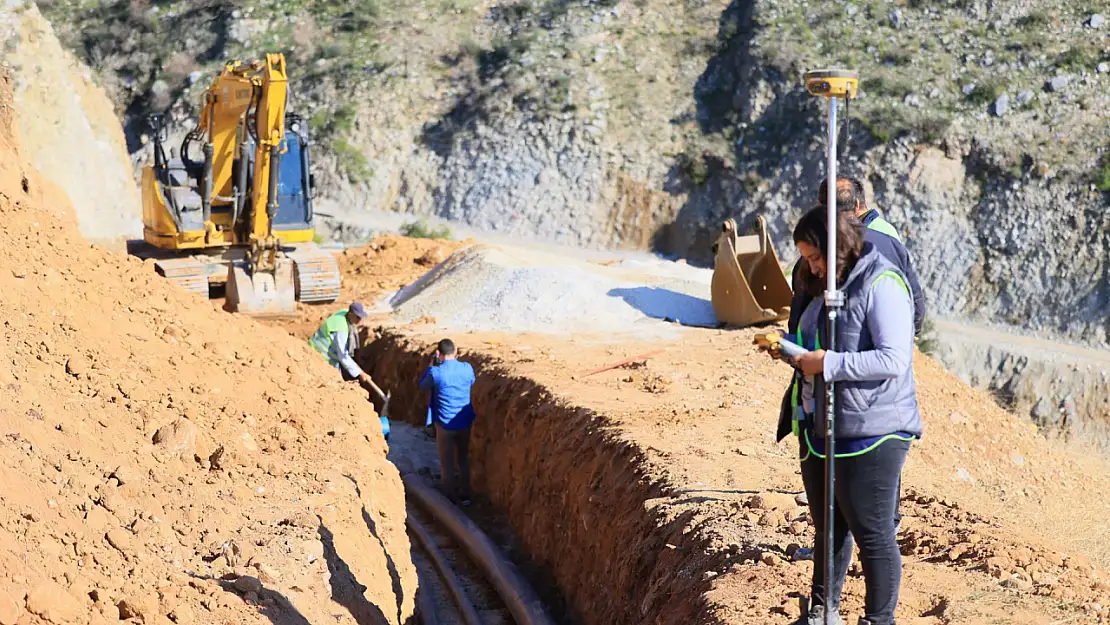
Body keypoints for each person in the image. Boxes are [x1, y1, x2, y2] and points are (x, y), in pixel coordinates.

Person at [761, 207, 921, 625]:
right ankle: (821, 612)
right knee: (828, 526)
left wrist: (827, 364)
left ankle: (877, 619)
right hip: (822, 425)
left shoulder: (882, 283)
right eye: (807, 259)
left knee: (872, 532)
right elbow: (815, 341)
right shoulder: (821, 288)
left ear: (840, 245)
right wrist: (789, 348)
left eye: (817, 257)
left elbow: (893, 359)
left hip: (874, 429)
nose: (812, 266)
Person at [787, 177, 923, 538]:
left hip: (865, 395)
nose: (814, 267)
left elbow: (895, 349)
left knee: (871, 521)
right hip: (833, 388)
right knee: (846, 510)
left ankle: (881, 523)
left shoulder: (878, 252)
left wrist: (826, 361)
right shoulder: (827, 258)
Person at [309, 303, 390, 440]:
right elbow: (343, 356)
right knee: (331, 390)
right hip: (320, 357)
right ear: (351, 314)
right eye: (357, 317)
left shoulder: (344, 314)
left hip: (328, 357)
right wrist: (360, 373)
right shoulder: (341, 329)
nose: (360, 321)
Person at [419, 338, 477, 506]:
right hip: (465, 422)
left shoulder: (435, 373)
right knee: (463, 459)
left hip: (445, 425)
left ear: (439, 354)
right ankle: (466, 495)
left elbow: (423, 386)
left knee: (447, 462)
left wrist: (431, 366)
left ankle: (450, 498)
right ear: (456, 351)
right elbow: (471, 381)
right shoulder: (467, 368)